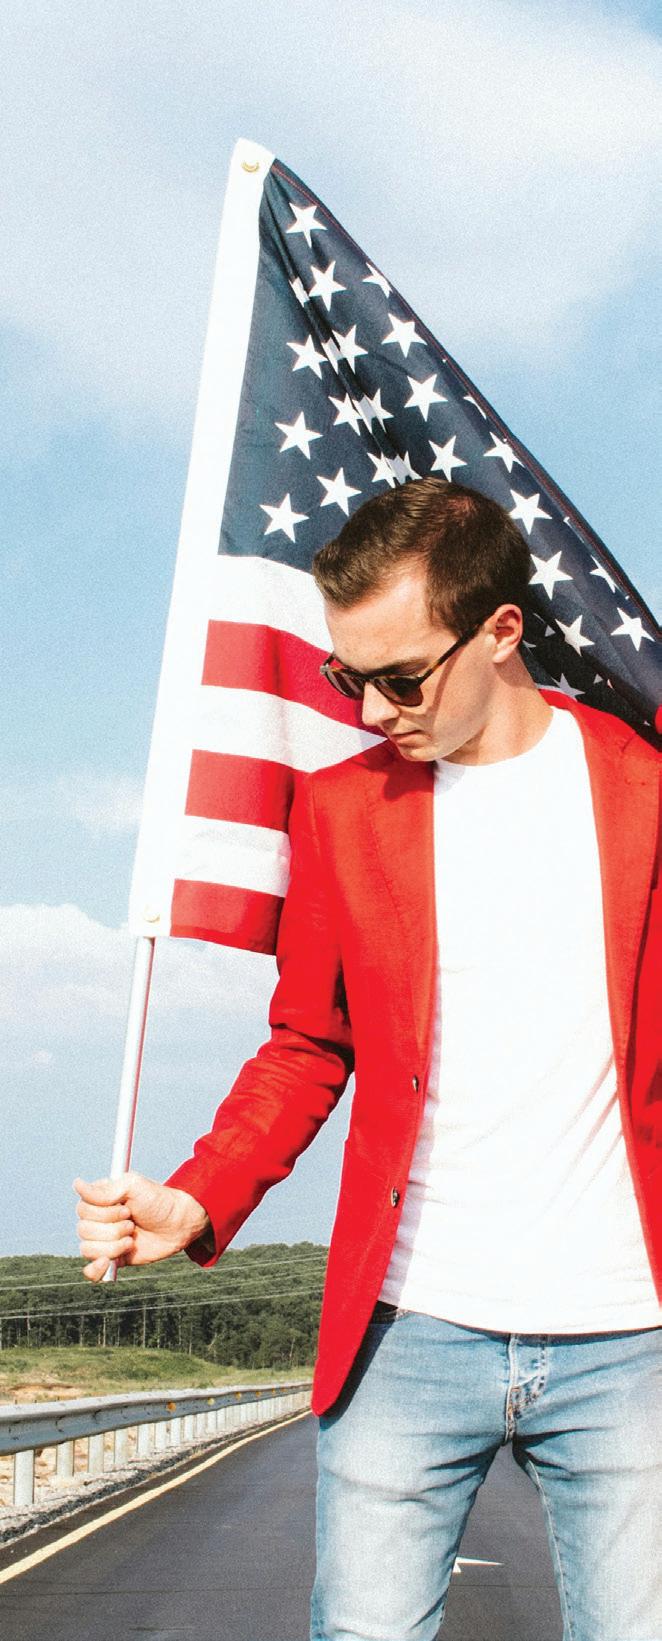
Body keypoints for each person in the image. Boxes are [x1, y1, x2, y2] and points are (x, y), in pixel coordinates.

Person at [74, 478, 661, 1641]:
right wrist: (197, 1195)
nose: (372, 709)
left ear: (500, 630)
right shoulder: (342, 810)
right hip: (406, 1331)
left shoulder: (643, 795)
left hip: (627, 1340)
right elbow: (308, 1040)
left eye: (399, 678)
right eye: (349, 679)